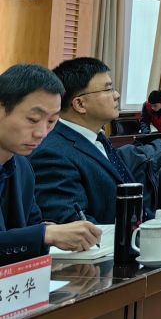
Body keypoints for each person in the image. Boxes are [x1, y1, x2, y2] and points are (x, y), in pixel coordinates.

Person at [0, 64, 101, 264]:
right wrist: (45, 234)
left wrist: (53, 232)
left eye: (51, 122)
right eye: (33, 119)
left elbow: (33, 226)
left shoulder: (23, 167)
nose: (42, 133)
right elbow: (38, 233)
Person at [32, 57, 138, 224]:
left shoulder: (98, 139)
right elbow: (73, 225)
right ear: (80, 104)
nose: (116, 95)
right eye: (108, 89)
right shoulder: (52, 154)